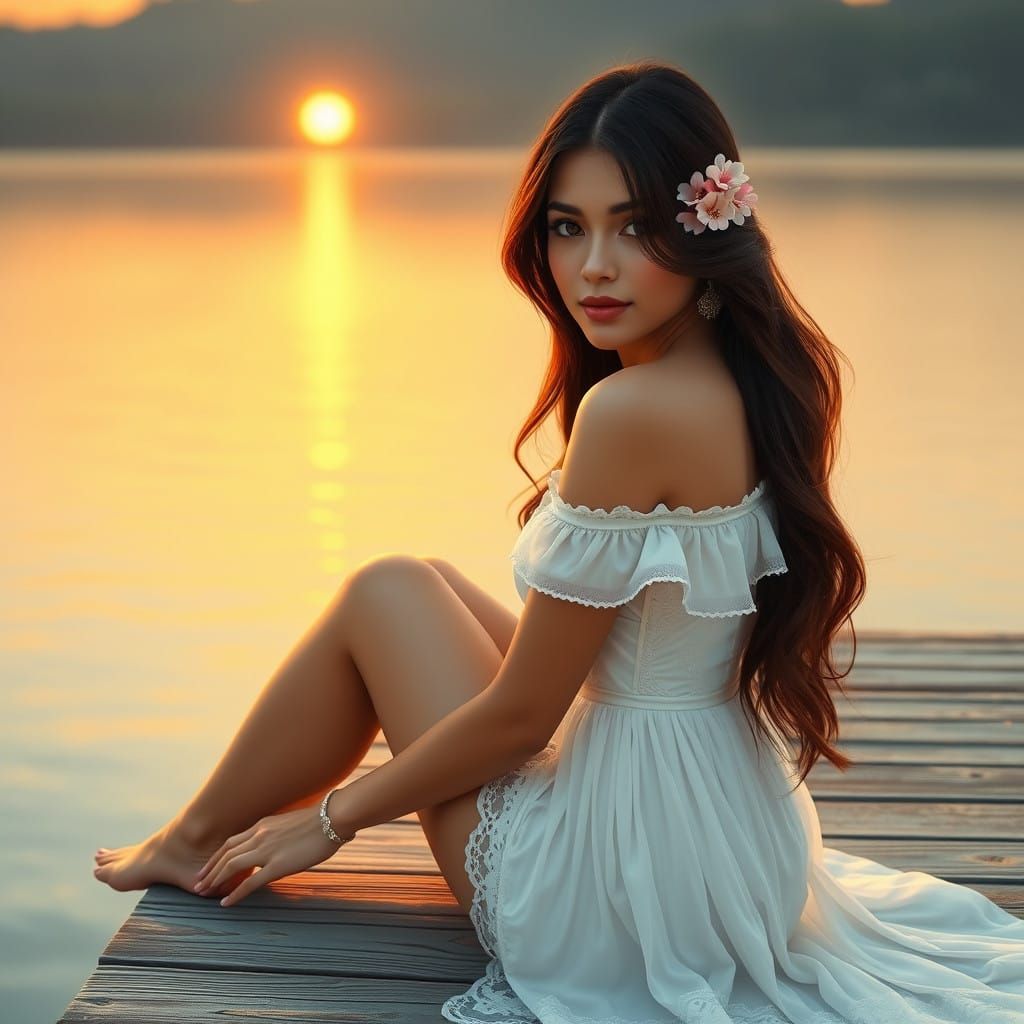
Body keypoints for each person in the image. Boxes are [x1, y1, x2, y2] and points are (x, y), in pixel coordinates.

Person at [93, 60, 1024, 1023]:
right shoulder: (766, 379)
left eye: (634, 228)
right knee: (422, 581)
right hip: (726, 840)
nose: (594, 268)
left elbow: (522, 719)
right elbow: (577, 674)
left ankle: (194, 834)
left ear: (704, 229)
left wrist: (327, 824)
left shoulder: (630, 413)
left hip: (612, 893)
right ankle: (195, 829)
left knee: (382, 592)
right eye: (568, 228)